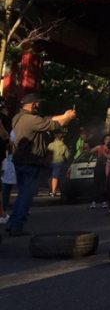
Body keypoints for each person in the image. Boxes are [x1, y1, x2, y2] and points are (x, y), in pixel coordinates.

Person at [4, 93, 76, 236]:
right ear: (33, 104)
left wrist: (63, 114)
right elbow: (54, 124)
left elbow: (46, 119)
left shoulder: (18, 118)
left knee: (22, 193)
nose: (39, 106)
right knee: (26, 195)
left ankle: (12, 223)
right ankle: (17, 225)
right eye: (37, 103)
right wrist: (68, 118)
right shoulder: (31, 120)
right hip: (31, 161)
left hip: (20, 161)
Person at [88, 134, 110, 209]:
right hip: (99, 167)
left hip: (108, 167)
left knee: (104, 185)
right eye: (106, 139)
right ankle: (93, 202)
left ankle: (104, 201)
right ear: (104, 140)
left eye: (109, 139)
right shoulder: (99, 147)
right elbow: (90, 151)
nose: (107, 141)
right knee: (96, 184)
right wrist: (87, 145)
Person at [46, 132, 69, 197]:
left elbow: (47, 154)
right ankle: (53, 191)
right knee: (55, 177)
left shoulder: (50, 145)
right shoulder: (64, 146)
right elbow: (67, 156)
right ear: (61, 139)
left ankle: (50, 190)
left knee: (50, 176)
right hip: (59, 162)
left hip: (50, 162)